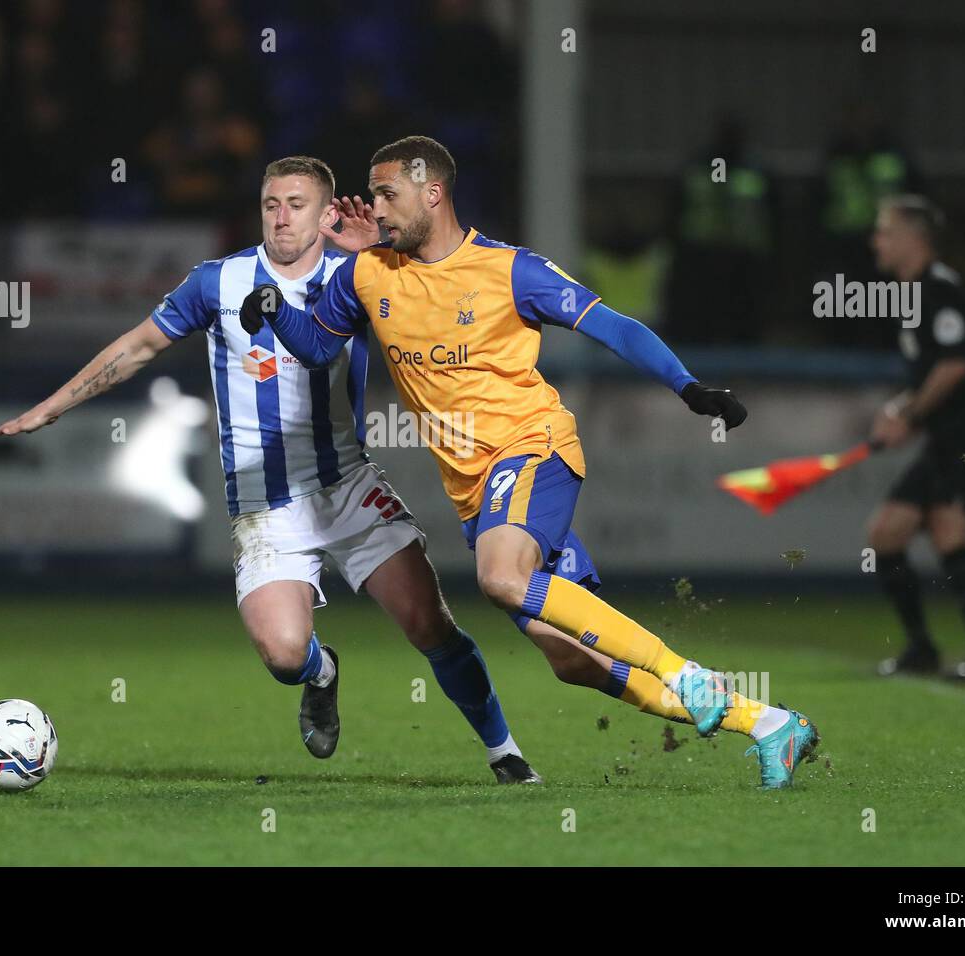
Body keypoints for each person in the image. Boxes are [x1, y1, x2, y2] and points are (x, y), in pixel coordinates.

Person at [242, 136, 821, 788]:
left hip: (532, 449)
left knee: (500, 577)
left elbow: (615, 327)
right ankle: (770, 724)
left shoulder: (509, 269)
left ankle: (692, 676)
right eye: (372, 194)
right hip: (477, 493)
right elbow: (317, 346)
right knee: (572, 660)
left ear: (432, 191)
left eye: (387, 194)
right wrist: (273, 311)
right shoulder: (366, 273)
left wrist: (689, 387)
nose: (374, 207)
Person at [0, 155, 542, 783]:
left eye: (297, 204)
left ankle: (507, 756)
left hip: (349, 488)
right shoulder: (216, 282)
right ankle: (321, 672)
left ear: (328, 212)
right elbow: (140, 345)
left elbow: (442, 298)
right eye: (271, 205)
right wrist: (51, 407)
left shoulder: (360, 276)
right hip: (264, 502)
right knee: (284, 655)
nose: (281, 218)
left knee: (431, 626)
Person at [867, 195, 965, 679]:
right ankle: (922, 649)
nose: (877, 241)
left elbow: (955, 365)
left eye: (886, 231)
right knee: (886, 533)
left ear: (914, 238)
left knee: (948, 528)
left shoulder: (939, 289)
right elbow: (932, 372)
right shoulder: (909, 297)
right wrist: (900, 407)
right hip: (947, 438)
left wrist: (907, 413)